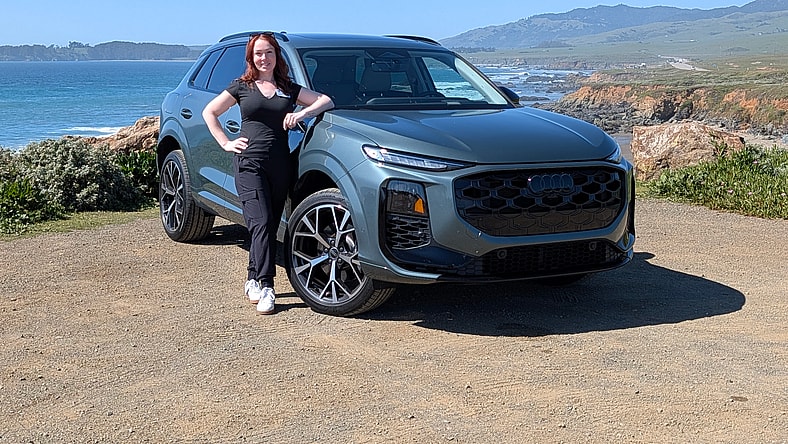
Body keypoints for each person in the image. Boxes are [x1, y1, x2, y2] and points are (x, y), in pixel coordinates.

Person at [203, 33, 334, 315]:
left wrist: (301, 114)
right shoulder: (242, 86)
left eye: (269, 53)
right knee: (260, 223)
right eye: (258, 53)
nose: (264, 58)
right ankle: (266, 286)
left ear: (277, 56)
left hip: (280, 165)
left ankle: (251, 276)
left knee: (269, 225)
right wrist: (226, 143)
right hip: (249, 164)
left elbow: (326, 101)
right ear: (251, 58)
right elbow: (209, 112)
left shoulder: (288, 87)